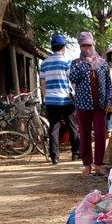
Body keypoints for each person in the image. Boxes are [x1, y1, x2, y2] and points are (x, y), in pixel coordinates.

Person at [69, 31, 112, 175]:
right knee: (85, 135)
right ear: (80, 47)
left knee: (101, 135)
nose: (87, 49)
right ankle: (87, 164)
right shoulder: (76, 63)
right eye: (84, 46)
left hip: (100, 105)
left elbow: (108, 84)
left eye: (89, 45)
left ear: (93, 45)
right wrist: (84, 65)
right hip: (83, 105)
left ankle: (99, 164)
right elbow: (73, 78)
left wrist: (108, 102)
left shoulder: (102, 63)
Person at [39, 35, 80, 165]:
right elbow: (73, 81)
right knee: (72, 126)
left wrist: (46, 99)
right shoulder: (67, 62)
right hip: (66, 100)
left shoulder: (44, 63)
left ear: (52, 48)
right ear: (63, 48)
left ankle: (55, 157)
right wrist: (77, 94)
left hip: (51, 101)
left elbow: (43, 84)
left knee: (54, 129)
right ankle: (75, 153)